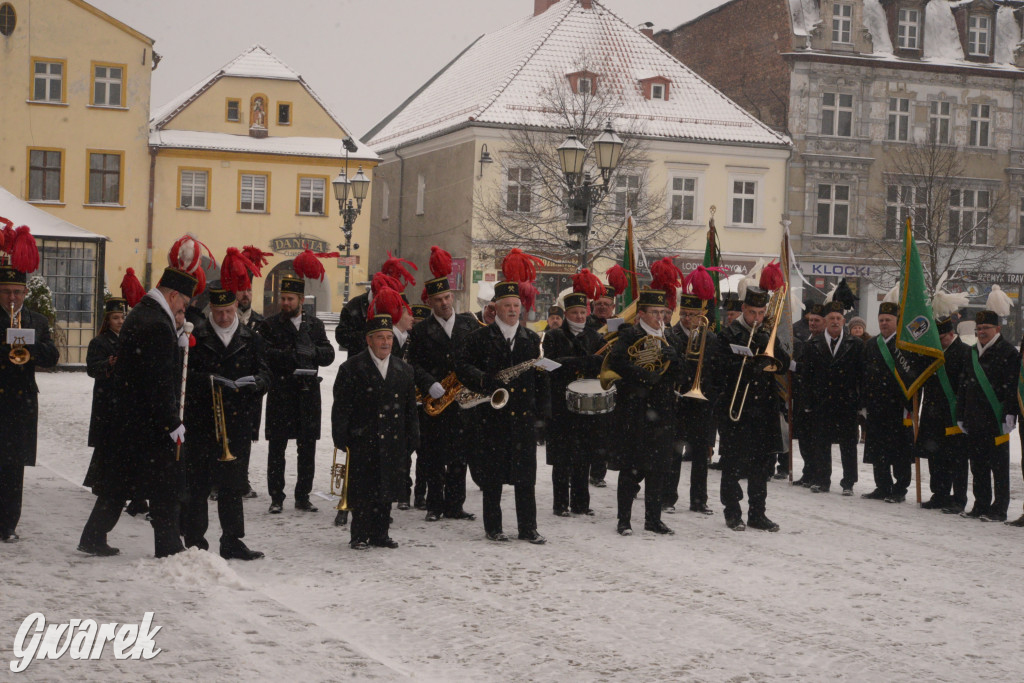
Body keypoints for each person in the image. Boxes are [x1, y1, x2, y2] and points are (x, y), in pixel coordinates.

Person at [114, 260, 198, 557]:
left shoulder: (143, 312)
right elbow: (159, 379)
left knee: (154, 479)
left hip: (135, 412)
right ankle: (168, 542)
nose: (184, 311)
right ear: (174, 295)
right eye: (184, 304)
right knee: (167, 481)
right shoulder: (157, 323)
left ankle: (169, 539)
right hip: (152, 418)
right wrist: (172, 420)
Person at [456, 279, 550, 543]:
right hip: (491, 416)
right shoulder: (478, 337)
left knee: (525, 478)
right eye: (506, 305)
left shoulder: (531, 339)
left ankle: (528, 528)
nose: (511, 310)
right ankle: (494, 527)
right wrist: (485, 379)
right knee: (493, 476)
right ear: (494, 308)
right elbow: (462, 366)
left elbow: (540, 379)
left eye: (515, 306)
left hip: (522, 417)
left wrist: (542, 415)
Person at [179, 288, 269, 560]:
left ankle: (232, 540)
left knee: (233, 484)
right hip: (203, 420)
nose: (225, 316)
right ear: (211, 312)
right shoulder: (197, 336)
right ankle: (195, 539)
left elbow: (265, 371)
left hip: (238, 420)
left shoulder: (250, 337)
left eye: (229, 311)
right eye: (219, 312)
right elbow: (183, 374)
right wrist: (208, 381)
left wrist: (258, 383)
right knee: (199, 483)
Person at [332, 312, 419, 549]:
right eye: (379, 337)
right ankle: (359, 534)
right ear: (369, 340)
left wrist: (412, 437)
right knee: (363, 490)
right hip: (363, 438)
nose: (385, 342)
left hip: (393, 439)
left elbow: (410, 409)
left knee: (386, 488)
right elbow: (341, 407)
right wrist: (342, 437)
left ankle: (381, 533)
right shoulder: (352, 368)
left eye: (389, 337)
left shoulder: (404, 369)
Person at [407, 247, 481, 522]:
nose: (444, 303)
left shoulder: (468, 325)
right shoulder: (420, 330)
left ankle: (455, 505)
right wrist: (429, 383)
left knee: (460, 457)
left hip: (462, 400)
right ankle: (434, 506)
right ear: (430, 302)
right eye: (438, 300)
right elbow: (412, 364)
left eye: (448, 297)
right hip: (436, 400)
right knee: (434, 456)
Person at [257, 274, 335, 513]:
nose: (285, 303)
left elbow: (328, 354)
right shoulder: (270, 325)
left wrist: (313, 352)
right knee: (277, 447)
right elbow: (265, 354)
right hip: (281, 392)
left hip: (307, 393)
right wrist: (291, 356)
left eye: (290, 299)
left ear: (301, 300)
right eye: (283, 298)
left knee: (307, 446)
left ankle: (303, 495)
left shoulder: (315, 325)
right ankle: (276, 497)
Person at [607, 287, 681, 536]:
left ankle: (653, 519)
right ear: (641, 314)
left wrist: (676, 360)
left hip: (663, 410)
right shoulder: (629, 335)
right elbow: (617, 362)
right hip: (635, 408)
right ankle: (624, 520)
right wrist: (643, 375)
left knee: (659, 468)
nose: (660, 316)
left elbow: (682, 375)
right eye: (655, 312)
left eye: (663, 312)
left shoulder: (671, 337)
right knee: (631, 468)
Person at [716, 286, 789, 531]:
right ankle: (732, 512)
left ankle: (758, 513)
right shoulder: (728, 334)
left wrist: (770, 348)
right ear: (743, 310)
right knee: (732, 463)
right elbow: (719, 368)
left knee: (761, 465)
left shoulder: (767, 334)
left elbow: (783, 365)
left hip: (763, 410)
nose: (756, 318)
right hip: (735, 409)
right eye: (752, 312)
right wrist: (747, 368)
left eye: (761, 312)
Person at [0, 259, 60, 543]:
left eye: (17, 292)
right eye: (7, 292)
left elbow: (52, 357)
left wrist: (28, 345)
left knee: (14, 466)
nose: (13, 298)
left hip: (21, 402)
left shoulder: (37, 321)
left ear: (25, 294)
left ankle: (9, 524)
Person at [543, 291, 603, 517]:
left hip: (587, 405)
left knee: (583, 455)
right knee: (562, 457)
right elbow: (548, 365)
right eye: (574, 313)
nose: (579, 317)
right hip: (562, 404)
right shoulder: (554, 336)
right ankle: (560, 504)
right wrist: (580, 362)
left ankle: (581, 503)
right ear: (566, 314)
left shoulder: (595, 336)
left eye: (582, 312)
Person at [78, 298, 129, 555]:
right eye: (116, 318)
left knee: (115, 482)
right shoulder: (100, 342)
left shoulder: (129, 339)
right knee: (113, 479)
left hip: (122, 406)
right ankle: (94, 536)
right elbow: (92, 369)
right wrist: (108, 364)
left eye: (122, 317)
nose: (120, 321)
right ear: (107, 320)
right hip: (109, 407)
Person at [957, 308, 1018, 523]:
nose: (981, 332)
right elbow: (963, 385)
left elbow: (1012, 387)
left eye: (986, 328)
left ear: (998, 329)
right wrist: (961, 413)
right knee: (978, 464)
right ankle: (980, 504)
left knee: (999, 466)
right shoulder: (972, 352)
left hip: (997, 418)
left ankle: (999, 509)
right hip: (974, 417)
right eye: (979, 328)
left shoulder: (1009, 352)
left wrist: (1011, 414)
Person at [797, 301, 862, 495]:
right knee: (820, 443)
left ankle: (848, 482)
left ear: (844, 321)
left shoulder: (856, 344)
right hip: (821, 402)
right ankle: (822, 479)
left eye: (838, 318)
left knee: (848, 444)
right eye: (831, 318)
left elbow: (862, 375)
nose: (835, 322)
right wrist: (807, 402)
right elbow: (806, 377)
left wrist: (860, 402)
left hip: (846, 402)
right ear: (825, 321)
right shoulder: (812, 345)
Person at [665, 292, 719, 516]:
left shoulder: (712, 338)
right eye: (685, 314)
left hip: (701, 403)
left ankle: (699, 500)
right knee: (674, 454)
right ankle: (667, 498)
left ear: (702, 315)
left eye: (694, 315)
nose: (688, 319)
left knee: (700, 455)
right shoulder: (669, 335)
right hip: (678, 402)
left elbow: (716, 370)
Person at [859, 301, 913, 504]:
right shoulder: (872, 345)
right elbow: (864, 375)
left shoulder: (905, 345)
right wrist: (863, 403)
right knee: (878, 449)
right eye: (881, 320)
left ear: (897, 322)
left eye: (888, 320)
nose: (884, 323)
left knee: (900, 451)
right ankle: (882, 486)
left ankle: (900, 489)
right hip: (876, 406)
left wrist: (910, 407)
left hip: (898, 407)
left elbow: (913, 379)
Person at [917, 317, 969, 512]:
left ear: (951, 334)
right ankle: (939, 494)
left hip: (954, 414)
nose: (938, 341)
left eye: (941, 337)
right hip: (932, 413)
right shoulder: (932, 354)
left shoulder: (964, 353)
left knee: (957, 459)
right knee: (935, 457)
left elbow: (966, 386)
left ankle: (959, 499)